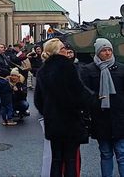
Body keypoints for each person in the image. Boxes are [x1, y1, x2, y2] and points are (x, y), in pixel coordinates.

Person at [34, 38, 97, 177]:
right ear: (57, 51)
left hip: (53, 122)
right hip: (70, 121)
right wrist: (93, 99)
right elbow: (79, 93)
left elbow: (38, 100)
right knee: (70, 160)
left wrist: (48, 111)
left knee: (56, 160)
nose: (66, 50)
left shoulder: (43, 70)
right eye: (63, 48)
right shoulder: (67, 67)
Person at [80, 38, 124, 177]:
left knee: (122, 153)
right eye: (104, 50)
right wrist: (94, 100)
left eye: (109, 50)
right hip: (100, 118)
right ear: (98, 52)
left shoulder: (121, 69)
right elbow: (84, 93)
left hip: (119, 117)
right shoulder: (88, 70)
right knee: (105, 153)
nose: (107, 53)